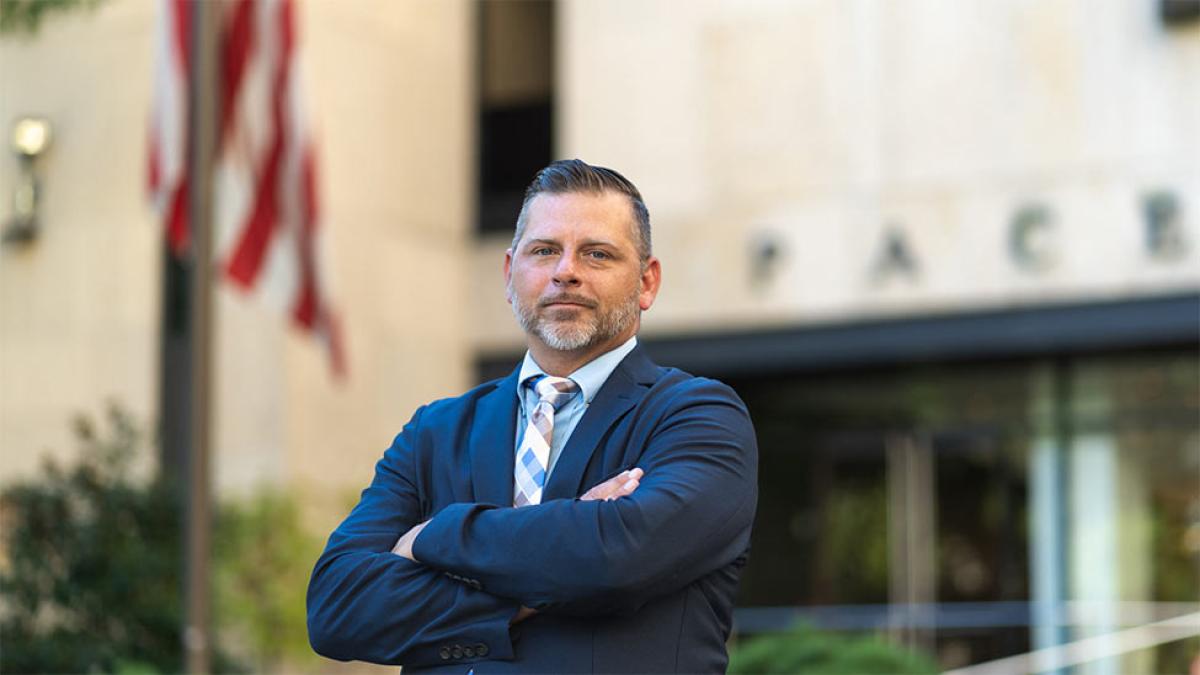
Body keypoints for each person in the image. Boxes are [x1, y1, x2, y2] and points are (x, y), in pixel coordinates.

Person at [306, 159, 758, 673]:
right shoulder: (435, 432)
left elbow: (614, 557)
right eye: (545, 251)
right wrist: (533, 586)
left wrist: (434, 536)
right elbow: (337, 608)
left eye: (597, 254)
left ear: (647, 282)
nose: (566, 271)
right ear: (509, 272)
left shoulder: (697, 417)